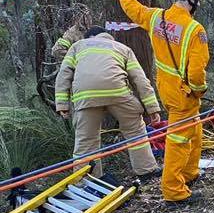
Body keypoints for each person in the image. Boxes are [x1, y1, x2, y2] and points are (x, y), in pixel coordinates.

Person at [107, 0, 209, 205]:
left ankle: (189, 173)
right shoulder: (196, 30)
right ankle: (173, 190)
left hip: (167, 90)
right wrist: (199, 90)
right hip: (185, 95)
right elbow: (196, 73)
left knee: (194, 130)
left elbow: (133, 9)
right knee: (179, 140)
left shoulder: (156, 18)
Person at [55, 26, 161, 178]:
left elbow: (63, 75)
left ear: (89, 37)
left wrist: (62, 104)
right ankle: (147, 170)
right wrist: (152, 108)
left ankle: (87, 180)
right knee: (136, 131)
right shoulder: (122, 48)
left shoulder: (78, 46)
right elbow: (140, 79)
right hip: (118, 93)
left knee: (86, 141)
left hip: (86, 96)